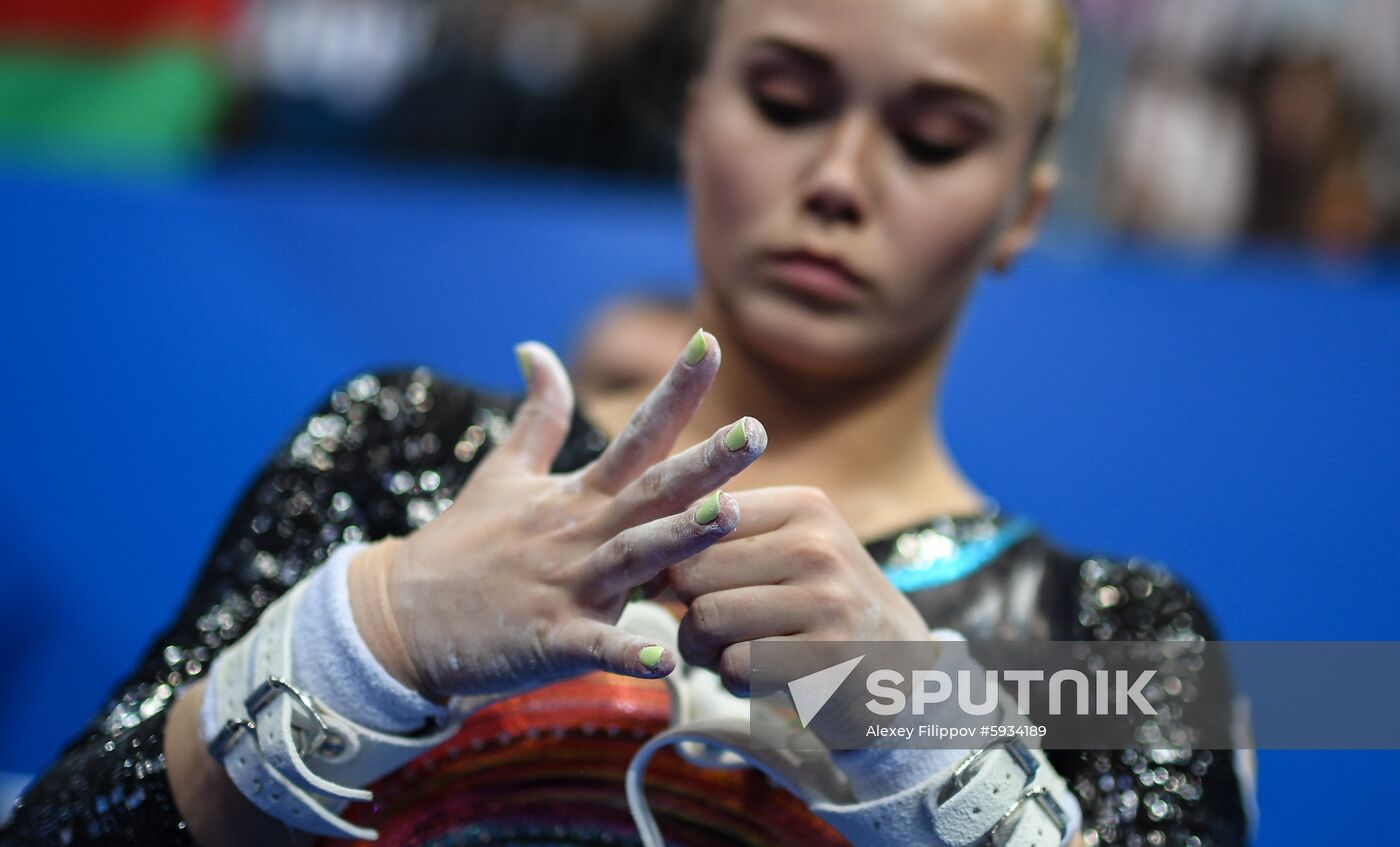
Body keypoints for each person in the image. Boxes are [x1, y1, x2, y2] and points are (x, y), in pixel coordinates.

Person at [0, 1, 1252, 846]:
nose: (838, 179)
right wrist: (369, 638)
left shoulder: (1108, 633)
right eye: (782, 99)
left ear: (1024, 206)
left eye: (931, 139)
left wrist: (931, 740)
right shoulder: (401, 455)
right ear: (693, 113)